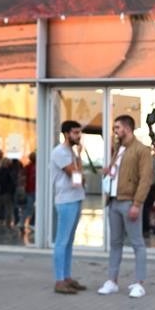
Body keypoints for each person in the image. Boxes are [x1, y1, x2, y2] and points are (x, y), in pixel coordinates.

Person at [97, 115, 154, 299]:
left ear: (128, 128)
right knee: (114, 243)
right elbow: (118, 172)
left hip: (129, 202)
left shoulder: (142, 150)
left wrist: (137, 204)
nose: (115, 130)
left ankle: (139, 283)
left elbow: (146, 179)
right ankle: (112, 281)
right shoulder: (118, 148)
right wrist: (109, 170)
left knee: (137, 243)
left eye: (117, 127)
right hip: (113, 201)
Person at [52, 120, 86, 294]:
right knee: (62, 241)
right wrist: (79, 161)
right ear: (66, 134)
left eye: (79, 133)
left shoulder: (70, 152)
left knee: (69, 242)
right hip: (66, 200)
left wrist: (78, 157)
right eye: (75, 133)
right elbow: (77, 178)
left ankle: (66, 277)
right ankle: (59, 280)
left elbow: (79, 177)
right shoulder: (60, 152)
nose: (78, 136)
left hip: (75, 198)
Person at [20, 150, 36, 233]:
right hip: (32, 189)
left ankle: (26, 223)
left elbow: (23, 178)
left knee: (29, 208)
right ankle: (27, 223)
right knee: (30, 208)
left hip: (30, 189)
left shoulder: (28, 167)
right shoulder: (32, 167)